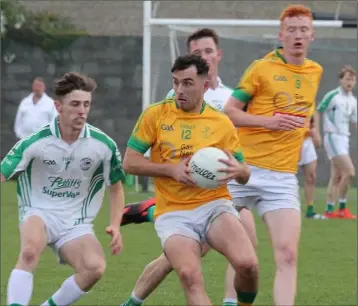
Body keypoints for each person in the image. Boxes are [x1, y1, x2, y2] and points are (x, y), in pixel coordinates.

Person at [120, 28, 256, 306]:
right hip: (174, 212)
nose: (180, 89)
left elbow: (243, 173)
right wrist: (171, 170)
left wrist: (240, 172)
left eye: (188, 83)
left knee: (248, 265)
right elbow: (129, 162)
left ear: (205, 86)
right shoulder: (156, 114)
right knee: (189, 274)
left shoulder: (220, 123)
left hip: (214, 205)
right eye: (176, 82)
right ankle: (147, 211)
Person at [223, 4, 323, 306]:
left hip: (281, 178)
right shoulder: (260, 68)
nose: (297, 35)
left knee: (288, 255)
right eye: (291, 30)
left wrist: (309, 129)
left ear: (312, 36)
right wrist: (270, 121)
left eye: (303, 30)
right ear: (281, 35)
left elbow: (303, 107)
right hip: (243, 170)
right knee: (201, 246)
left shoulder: (314, 71)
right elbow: (229, 112)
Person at [1, 72, 126, 306]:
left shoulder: (103, 145)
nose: (82, 111)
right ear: (58, 106)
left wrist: (116, 224)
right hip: (38, 211)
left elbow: (116, 188)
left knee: (95, 268)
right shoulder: (35, 142)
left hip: (76, 222)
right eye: (75, 104)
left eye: (86, 104)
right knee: (29, 252)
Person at [316, 65, 357, 219]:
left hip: (344, 138)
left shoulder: (353, 100)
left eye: (352, 79)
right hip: (333, 137)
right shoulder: (333, 95)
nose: (350, 82)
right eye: (347, 79)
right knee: (350, 172)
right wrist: (318, 133)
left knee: (336, 176)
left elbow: (355, 121)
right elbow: (318, 110)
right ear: (340, 80)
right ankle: (341, 208)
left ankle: (329, 210)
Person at [298, 115, 325, 219]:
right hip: (292, 140)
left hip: (307, 141)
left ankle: (310, 211)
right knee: (287, 176)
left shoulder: (310, 103)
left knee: (311, 177)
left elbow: (313, 116)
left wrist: (315, 132)